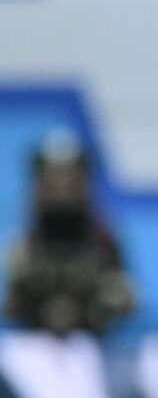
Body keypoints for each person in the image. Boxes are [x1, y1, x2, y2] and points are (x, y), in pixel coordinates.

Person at [5, 132, 134, 336]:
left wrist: (110, 301)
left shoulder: (103, 240)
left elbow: (126, 302)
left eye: (70, 178)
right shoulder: (24, 244)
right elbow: (11, 307)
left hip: (91, 345)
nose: (61, 188)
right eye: (51, 179)